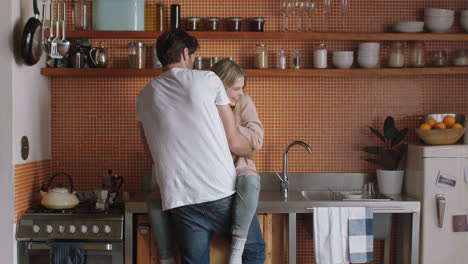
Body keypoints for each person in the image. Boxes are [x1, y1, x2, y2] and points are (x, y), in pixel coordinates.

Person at [136, 30, 265, 264]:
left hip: (179, 196)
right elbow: (234, 141)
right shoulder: (207, 79)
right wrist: (250, 151)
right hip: (217, 191)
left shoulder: (144, 96)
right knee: (254, 251)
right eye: (192, 55)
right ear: (185, 53)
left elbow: (151, 154)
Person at [211, 59, 264, 264]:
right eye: (236, 88)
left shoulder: (244, 102)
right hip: (214, 182)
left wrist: (229, 123)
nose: (241, 92)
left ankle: (236, 253)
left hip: (241, 176)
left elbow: (256, 140)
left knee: (255, 249)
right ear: (220, 87)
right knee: (255, 249)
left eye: (242, 88)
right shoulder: (203, 105)